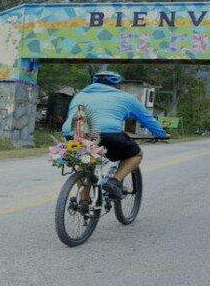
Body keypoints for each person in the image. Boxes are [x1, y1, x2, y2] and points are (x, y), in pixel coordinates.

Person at [62, 71, 168, 199]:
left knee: (85, 160)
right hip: (107, 133)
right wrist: (161, 134)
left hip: (73, 133)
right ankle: (114, 181)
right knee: (136, 154)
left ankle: (84, 200)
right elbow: (147, 119)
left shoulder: (79, 95)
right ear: (118, 85)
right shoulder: (126, 97)